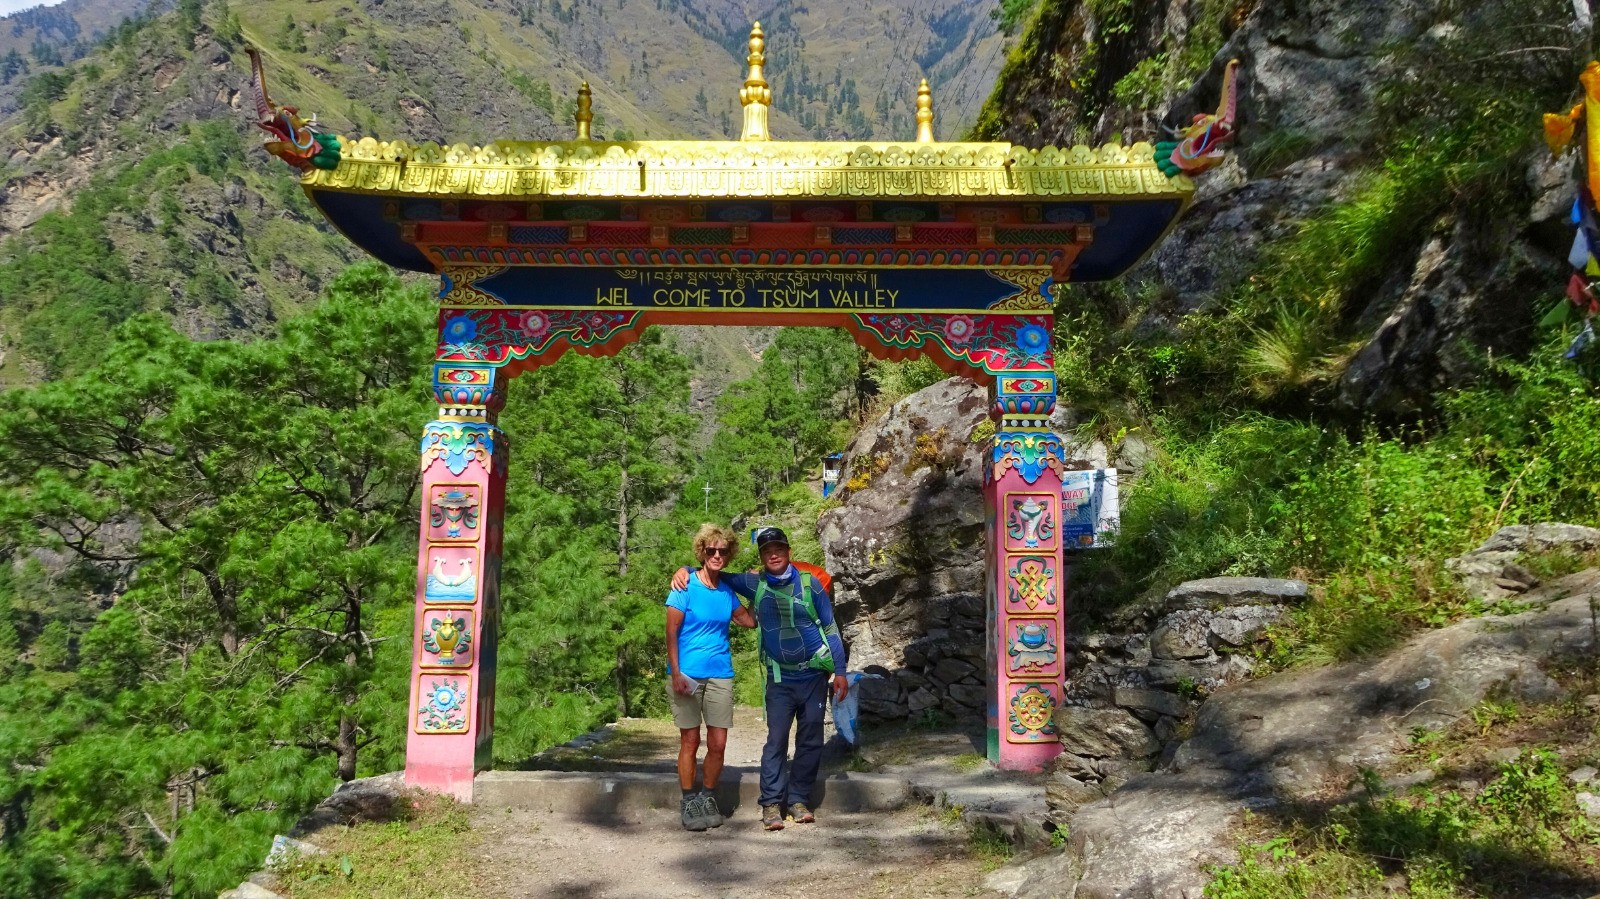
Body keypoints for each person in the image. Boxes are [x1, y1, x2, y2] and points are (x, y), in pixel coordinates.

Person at [672, 526, 847, 831]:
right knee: (775, 740)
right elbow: (713, 572)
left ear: (789, 552)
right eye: (767, 551)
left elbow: (830, 628)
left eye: (778, 549)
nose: (773, 555)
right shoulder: (751, 583)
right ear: (762, 556)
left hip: (812, 675)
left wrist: (840, 672)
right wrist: (685, 569)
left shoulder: (810, 584)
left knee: (810, 740)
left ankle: (798, 800)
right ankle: (770, 804)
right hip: (777, 678)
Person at [665, 523, 756, 832]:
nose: (717, 555)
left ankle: (707, 797)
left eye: (723, 551)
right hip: (687, 675)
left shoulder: (727, 593)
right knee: (690, 740)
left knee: (718, 743)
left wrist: (758, 590)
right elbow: (671, 632)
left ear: (729, 555)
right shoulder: (684, 586)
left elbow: (749, 622)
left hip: (720, 675)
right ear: (702, 552)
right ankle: (689, 800)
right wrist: (676, 673)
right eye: (711, 550)